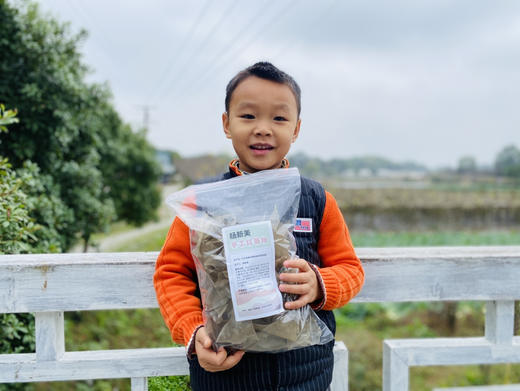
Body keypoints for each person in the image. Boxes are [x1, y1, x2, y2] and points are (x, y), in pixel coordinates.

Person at [154, 61, 365, 391]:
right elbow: (171, 273)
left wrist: (319, 284)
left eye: (279, 118)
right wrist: (195, 332)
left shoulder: (317, 199)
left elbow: (350, 269)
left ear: (296, 129)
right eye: (248, 116)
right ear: (226, 123)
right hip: (225, 370)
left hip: (306, 372)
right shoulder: (202, 202)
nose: (263, 128)